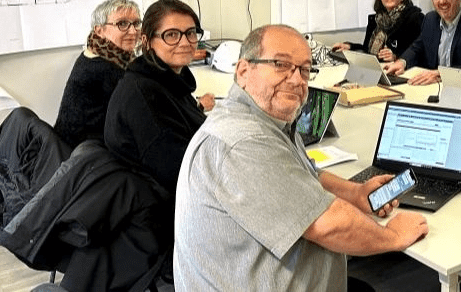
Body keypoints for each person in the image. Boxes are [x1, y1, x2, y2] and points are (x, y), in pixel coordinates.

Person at [174, 24, 428, 290]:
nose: (297, 80)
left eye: (304, 69)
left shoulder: (266, 116)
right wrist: (393, 236)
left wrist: (355, 193)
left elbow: (304, 172)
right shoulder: (245, 141)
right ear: (244, 71)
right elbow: (328, 225)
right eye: (281, 65)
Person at [104, 0, 211, 195]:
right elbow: (179, 172)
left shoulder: (168, 80)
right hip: (165, 204)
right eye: (171, 35)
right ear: (147, 41)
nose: (185, 42)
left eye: (190, 33)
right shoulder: (144, 96)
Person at [55, 0, 141, 148]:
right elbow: (137, 114)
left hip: (77, 147)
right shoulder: (106, 69)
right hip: (85, 153)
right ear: (99, 30)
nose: (133, 31)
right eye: (122, 24)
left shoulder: (94, 53)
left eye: (136, 23)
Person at [331, 0, 424, 62]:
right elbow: (367, 50)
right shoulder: (376, 20)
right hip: (376, 67)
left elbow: (419, 50)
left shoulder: (414, 17)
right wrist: (350, 46)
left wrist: (396, 56)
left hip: (402, 69)